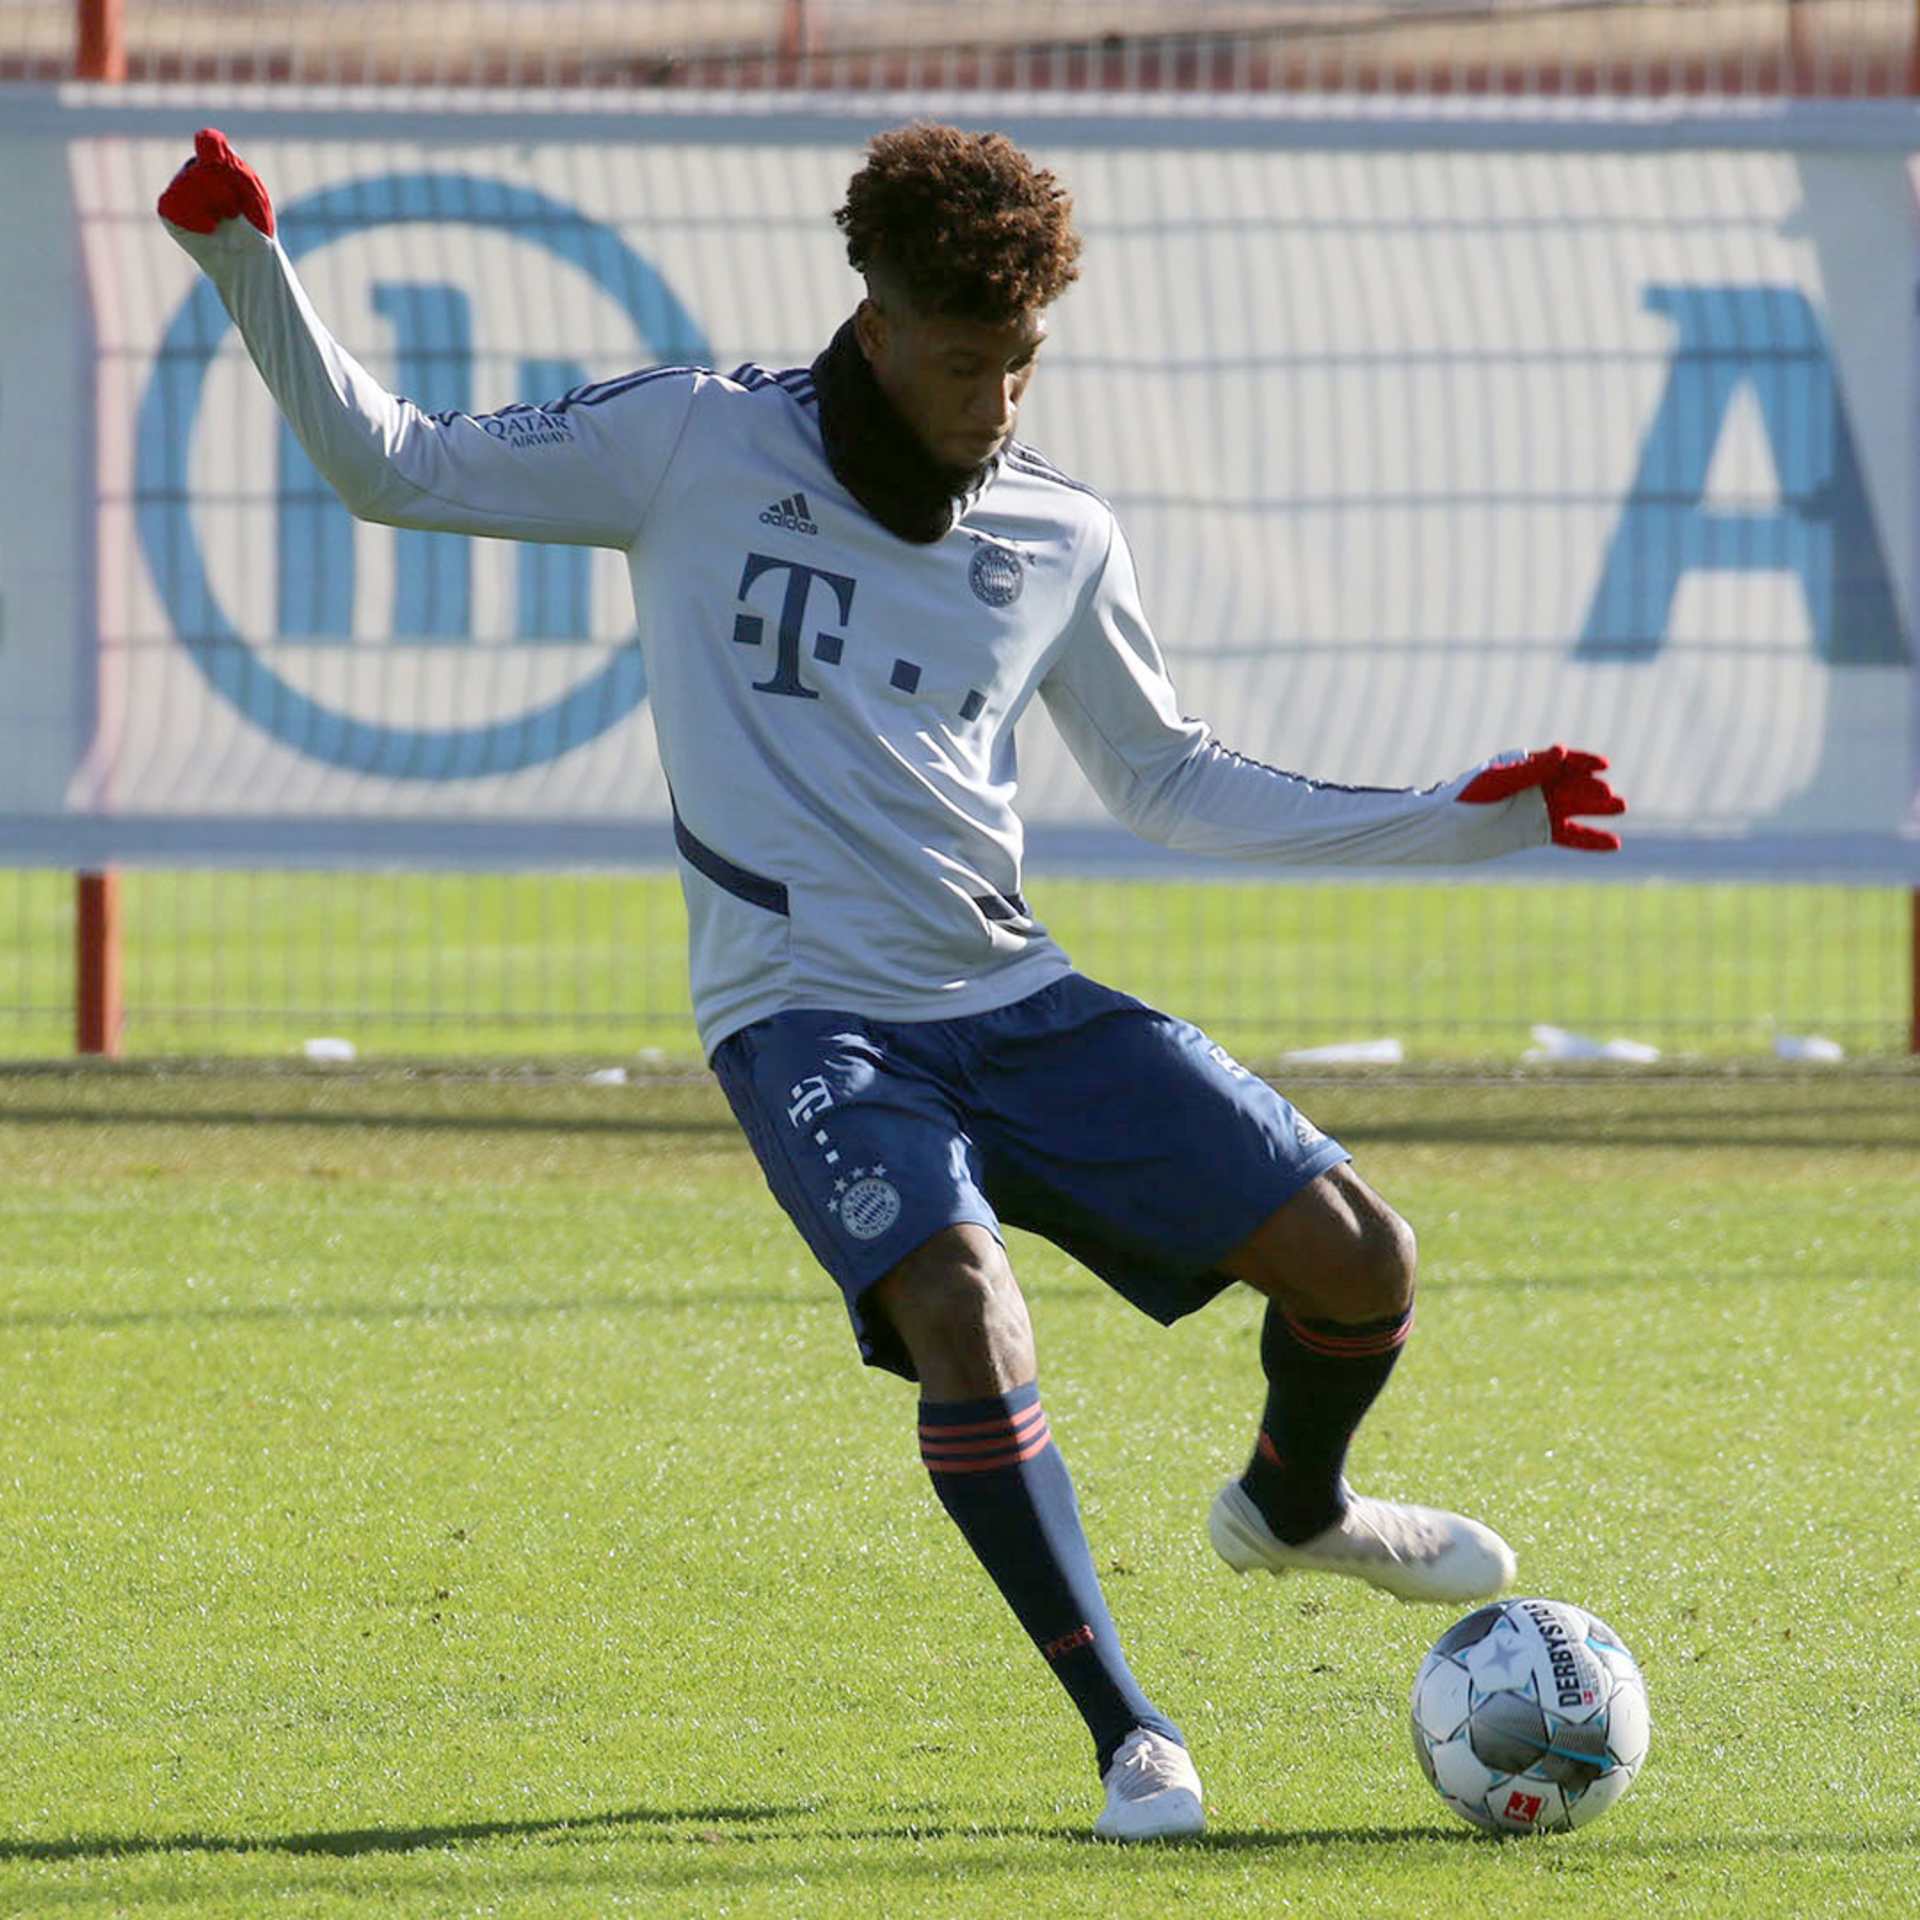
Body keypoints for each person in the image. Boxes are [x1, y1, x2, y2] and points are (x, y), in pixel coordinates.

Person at [158, 121, 1625, 1842]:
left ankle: (1294, 1507)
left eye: (1023, 365)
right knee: (960, 1308)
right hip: (804, 1013)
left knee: (1363, 1260)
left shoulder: (1060, 531)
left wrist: (1456, 822)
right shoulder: (691, 444)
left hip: (1009, 994)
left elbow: (1163, 782)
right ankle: (1128, 1733)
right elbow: (393, 465)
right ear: (875, 321)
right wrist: (242, 257)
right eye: (962, 361)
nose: (994, 404)